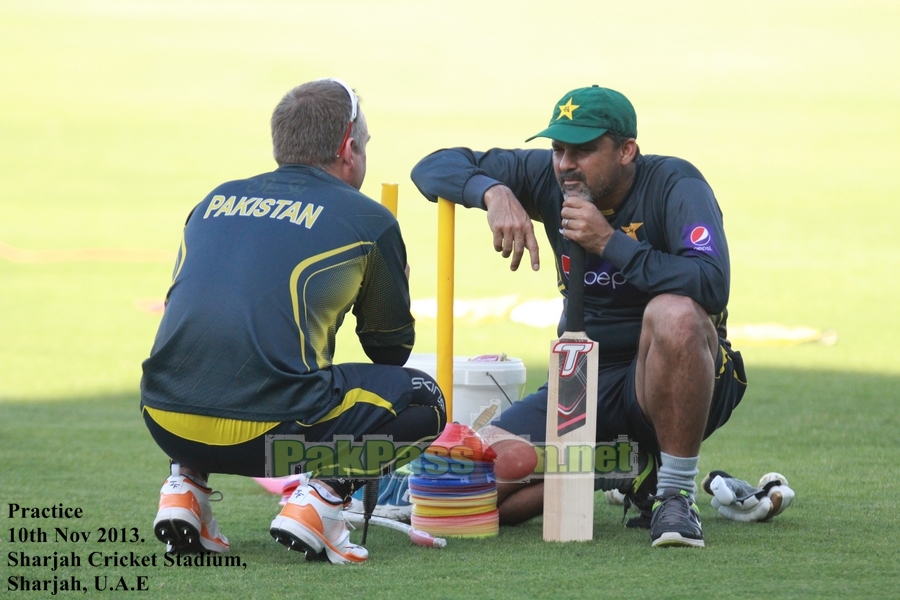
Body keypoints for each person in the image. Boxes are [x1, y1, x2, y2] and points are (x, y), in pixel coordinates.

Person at [410, 85, 747, 548]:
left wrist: (612, 243)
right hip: (582, 376)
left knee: (675, 314)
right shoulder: (551, 178)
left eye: (584, 150)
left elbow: (711, 282)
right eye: (557, 148)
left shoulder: (675, 184)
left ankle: (674, 494)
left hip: (675, 372)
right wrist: (493, 191)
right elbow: (431, 166)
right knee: (474, 487)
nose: (566, 163)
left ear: (627, 150)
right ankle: (619, 469)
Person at [141, 79, 446, 564]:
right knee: (425, 401)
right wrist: (391, 286)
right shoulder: (369, 219)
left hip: (163, 419)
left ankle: (184, 490)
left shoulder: (213, 200)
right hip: (271, 436)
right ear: (348, 148)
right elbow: (389, 352)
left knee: (211, 355)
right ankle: (320, 501)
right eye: (363, 146)